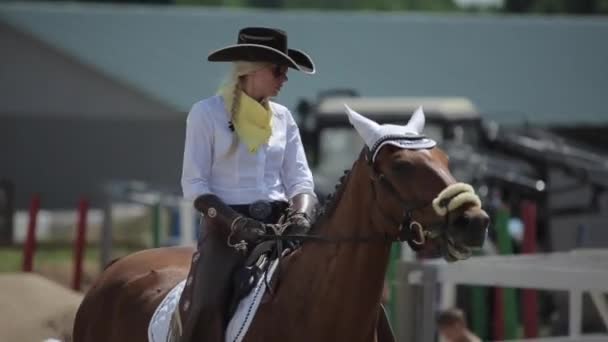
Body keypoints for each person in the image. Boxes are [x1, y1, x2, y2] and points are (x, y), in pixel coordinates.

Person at [169, 27, 319, 342]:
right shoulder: (205, 114)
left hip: (283, 228)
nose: (285, 79)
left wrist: (302, 216)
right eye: (279, 70)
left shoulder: (284, 118)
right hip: (226, 233)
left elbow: (300, 180)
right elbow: (194, 185)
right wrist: (236, 222)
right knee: (207, 304)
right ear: (252, 69)